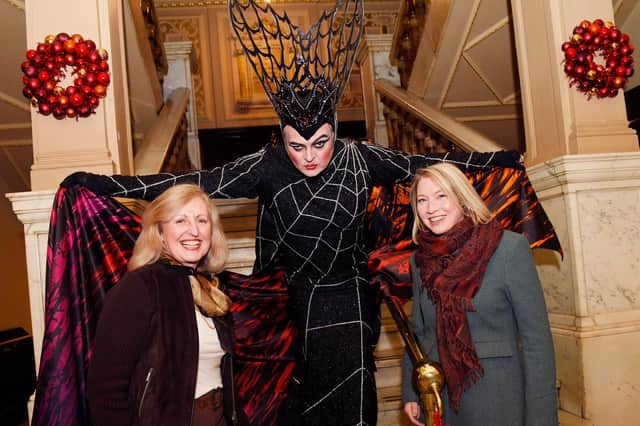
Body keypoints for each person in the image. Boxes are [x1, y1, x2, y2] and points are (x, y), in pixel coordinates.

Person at [63, 1, 526, 424]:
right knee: (301, 397)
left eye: (320, 143)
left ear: (334, 132)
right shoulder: (267, 165)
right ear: (282, 138)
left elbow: (427, 165)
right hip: (294, 300)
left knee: (354, 391)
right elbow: (193, 184)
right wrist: (109, 185)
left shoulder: (360, 157)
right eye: (297, 145)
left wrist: (496, 160)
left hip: (353, 295)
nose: (309, 156)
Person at [401, 163, 558, 426]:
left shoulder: (508, 249)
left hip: (498, 400)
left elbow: (537, 342)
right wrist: (412, 391)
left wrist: (541, 418)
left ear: (462, 198)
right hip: (440, 402)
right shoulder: (420, 262)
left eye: (441, 196)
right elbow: (418, 333)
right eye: (422, 200)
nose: (431, 209)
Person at [87, 184, 242, 426]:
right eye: (180, 221)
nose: (194, 231)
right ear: (159, 233)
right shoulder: (141, 287)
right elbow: (105, 392)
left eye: (202, 220)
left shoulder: (211, 290)